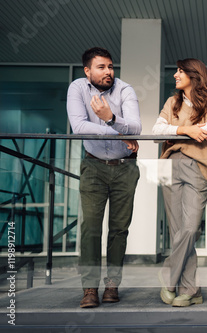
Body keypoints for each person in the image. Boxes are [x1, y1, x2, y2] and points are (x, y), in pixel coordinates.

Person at [67, 47, 141, 308]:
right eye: (101, 67)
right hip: (93, 167)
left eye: (110, 66)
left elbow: (137, 127)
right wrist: (119, 130)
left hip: (125, 168)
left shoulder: (124, 90)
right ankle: (89, 289)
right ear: (87, 71)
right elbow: (78, 127)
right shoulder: (77, 88)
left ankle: (112, 285)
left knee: (119, 229)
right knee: (90, 229)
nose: (109, 71)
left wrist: (109, 119)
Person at [153, 58, 207, 307]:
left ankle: (169, 279)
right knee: (177, 231)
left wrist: (177, 129)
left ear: (194, 75)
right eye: (176, 71)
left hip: (198, 167)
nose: (175, 75)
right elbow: (156, 131)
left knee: (190, 228)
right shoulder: (172, 102)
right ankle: (190, 290)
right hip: (170, 165)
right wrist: (188, 131)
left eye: (181, 71)